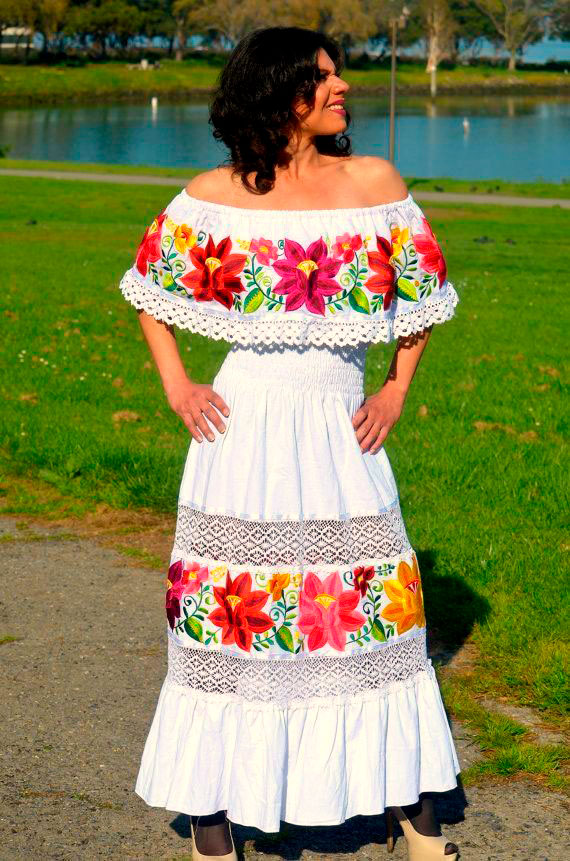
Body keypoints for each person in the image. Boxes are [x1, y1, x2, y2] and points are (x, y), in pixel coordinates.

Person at [118, 26, 461, 861]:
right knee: (227, 625)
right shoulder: (213, 195)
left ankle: (417, 824)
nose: (341, 87)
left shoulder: (374, 183)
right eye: (323, 77)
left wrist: (395, 387)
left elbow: (424, 293)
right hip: (242, 432)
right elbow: (148, 288)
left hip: (344, 430)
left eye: (339, 73)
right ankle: (213, 832)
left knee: (380, 621)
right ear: (279, 94)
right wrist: (177, 385)